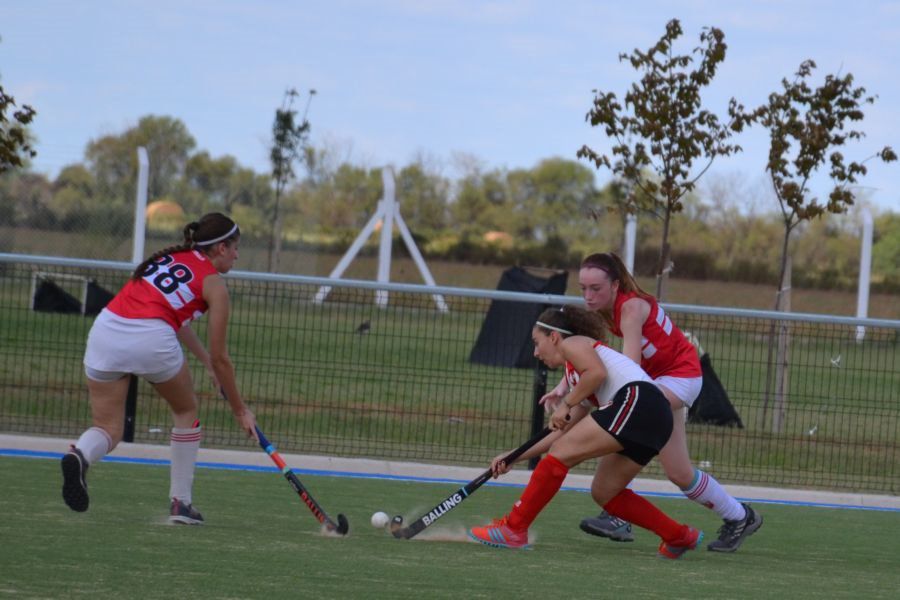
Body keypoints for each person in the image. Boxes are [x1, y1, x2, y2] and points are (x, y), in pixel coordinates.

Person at [547, 252, 761, 552]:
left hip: (680, 377)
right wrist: (564, 385)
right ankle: (740, 516)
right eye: (583, 288)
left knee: (626, 416)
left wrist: (579, 397)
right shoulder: (606, 310)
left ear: (615, 284)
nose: (588, 296)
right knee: (679, 472)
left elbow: (629, 369)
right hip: (653, 381)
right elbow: (594, 354)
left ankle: (615, 512)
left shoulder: (631, 308)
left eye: (595, 289)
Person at [61, 212, 257, 524]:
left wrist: (206, 364)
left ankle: (79, 455)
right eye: (234, 247)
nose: (237, 254)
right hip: (151, 337)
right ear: (220, 248)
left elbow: (176, 320)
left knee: (109, 428)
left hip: (106, 329)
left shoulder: (172, 258)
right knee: (186, 410)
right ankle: (181, 504)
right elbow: (223, 358)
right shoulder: (215, 285)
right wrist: (240, 410)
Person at [468, 306, 703, 558]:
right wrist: (513, 456)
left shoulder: (574, 343)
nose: (536, 352)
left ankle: (514, 528)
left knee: (562, 452)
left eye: (537, 342)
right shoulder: (577, 377)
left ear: (555, 337)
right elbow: (559, 432)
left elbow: (597, 373)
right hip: (656, 417)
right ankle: (678, 535)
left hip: (639, 401)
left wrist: (567, 402)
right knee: (604, 491)